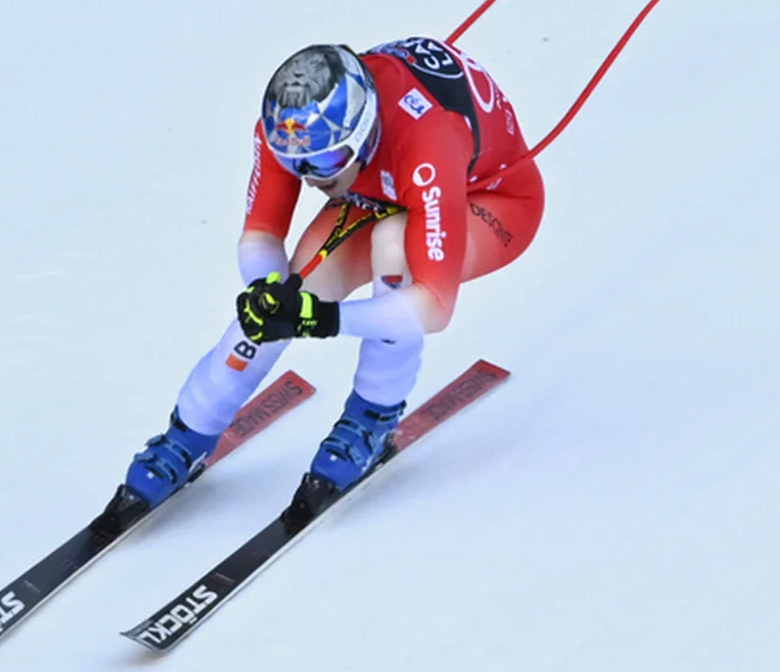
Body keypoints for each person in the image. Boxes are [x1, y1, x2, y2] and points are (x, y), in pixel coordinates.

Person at [122, 36, 545, 507]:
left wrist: (324, 319)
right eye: (295, 165)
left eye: (324, 162)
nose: (311, 178)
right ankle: (187, 433)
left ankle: (372, 418)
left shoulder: (428, 142)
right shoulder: (295, 128)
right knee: (285, 295)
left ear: (363, 134)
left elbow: (434, 305)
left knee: (394, 246)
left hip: (489, 201)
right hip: (378, 186)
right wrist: (270, 294)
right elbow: (260, 236)